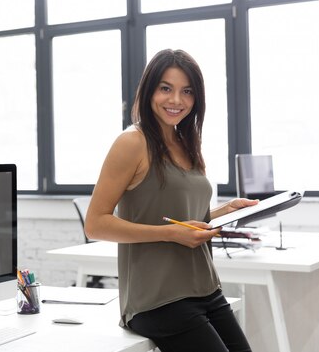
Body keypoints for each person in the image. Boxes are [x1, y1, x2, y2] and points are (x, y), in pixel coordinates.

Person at [84, 49, 257, 352]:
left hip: (204, 288)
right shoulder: (132, 143)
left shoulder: (187, 144)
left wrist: (223, 212)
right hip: (157, 299)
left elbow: (186, 220)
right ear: (149, 90)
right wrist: (168, 233)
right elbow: (95, 224)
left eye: (186, 91)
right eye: (166, 88)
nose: (176, 100)